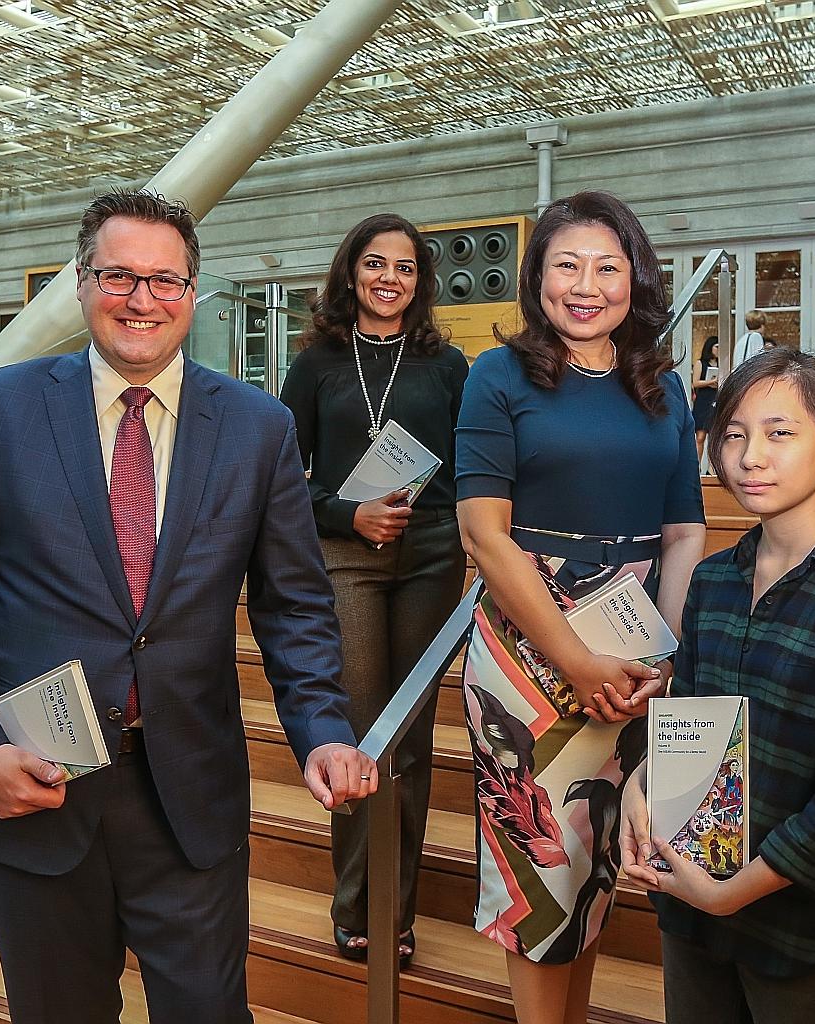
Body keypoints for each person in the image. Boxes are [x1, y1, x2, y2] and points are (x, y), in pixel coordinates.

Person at [0, 189, 376, 1024]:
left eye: (166, 281)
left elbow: (294, 605)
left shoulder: (259, 428)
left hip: (186, 790)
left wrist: (323, 727)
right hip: (33, 789)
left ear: (193, 294)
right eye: (119, 276)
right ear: (81, 283)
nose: (142, 300)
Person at [455, 190, 707, 1024]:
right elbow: (484, 535)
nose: (586, 284)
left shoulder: (662, 387)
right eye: (566, 265)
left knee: (601, 861)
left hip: (637, 644)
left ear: (636, 277)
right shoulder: (497, 376)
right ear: (537, 278)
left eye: (607, 266)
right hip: (529, 642)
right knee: (542, 863)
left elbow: (683, 533)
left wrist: (663, 658)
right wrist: (572, 657)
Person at [620, 348, 815, 1024]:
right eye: (734, 434)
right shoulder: (714, 581)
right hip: (694, 907)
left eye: (779, 433)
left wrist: (732, 893)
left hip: (801, 928)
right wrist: (639, 789)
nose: (751, 455)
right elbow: (688, 729)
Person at [279, 213, 468, 967]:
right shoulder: (318, 362)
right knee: (359, 732)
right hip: (345, 554)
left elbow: (468, 471)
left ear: (421, 283)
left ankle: (396, 908)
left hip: (430, 555)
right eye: (375, 264)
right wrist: (345, 513)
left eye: (406, 269)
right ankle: (355, 902)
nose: (390, 279)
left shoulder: (449, 367)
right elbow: (283, 482)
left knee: (412, 740)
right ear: (351, 272)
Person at [692, 335, 720, 461]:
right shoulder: (700, 363)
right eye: (716, 347)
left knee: (714, 435)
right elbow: (695, 383)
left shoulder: (721, 364)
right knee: (700, 435)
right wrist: (710, 382)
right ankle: (696, 466)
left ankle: (712, 468)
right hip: (702, 401)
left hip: (715, 399)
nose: (718, 350)